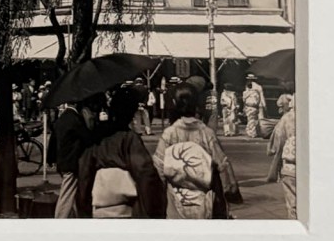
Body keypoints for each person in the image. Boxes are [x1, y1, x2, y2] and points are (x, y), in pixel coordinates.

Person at [77, 86, 166, 219]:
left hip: (98, 206)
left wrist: (83, 207)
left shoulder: (97, 136)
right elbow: (145, 173)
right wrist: (153, 209)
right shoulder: (129, 139)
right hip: (125, 208)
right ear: (131, 112)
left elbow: (84, 174)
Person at [153, 82, 237, 219]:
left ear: (174, 103)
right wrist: (230, 191)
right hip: (204, 199)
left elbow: (159, 168)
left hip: (176, 199)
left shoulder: (169, 133)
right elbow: (222, 165)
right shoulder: (206, 133)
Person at [52, 95, 100, 218]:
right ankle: (60, 218)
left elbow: (53, 140)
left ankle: (75, 216)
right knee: (67, 193)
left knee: (72, 192)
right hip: (71, 161)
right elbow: (87, 137)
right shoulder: (75, 119)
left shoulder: (61, 118)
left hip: (62, 160)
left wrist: (50, 159)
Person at [266, 94, 295, 184]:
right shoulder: (290, 115)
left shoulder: (287, 117)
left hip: (285, 138)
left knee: (280, 153)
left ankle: (278, 174)